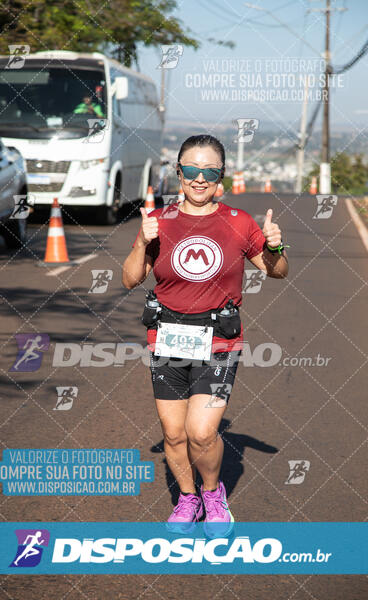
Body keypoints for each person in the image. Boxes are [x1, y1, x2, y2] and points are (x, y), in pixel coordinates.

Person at [122, 134, 288, 537]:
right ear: (178, 173)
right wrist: (143, 241)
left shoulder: (238, 223)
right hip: (167, 338)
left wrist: (275, 247)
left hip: (218, 341)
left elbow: (276, 272)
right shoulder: (158, 222)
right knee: (174, 433)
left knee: (200, 431)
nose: (199, 179)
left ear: (221, 176)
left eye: (208, 172)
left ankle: (213, 494)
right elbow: (130, 279)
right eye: (191, 170)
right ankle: (187, 497)